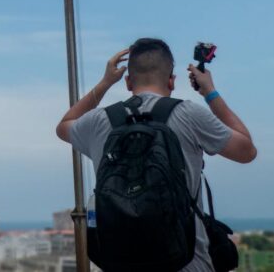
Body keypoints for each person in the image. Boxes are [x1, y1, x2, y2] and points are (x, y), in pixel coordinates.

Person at [56, 38, 257, 272]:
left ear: (128, 81)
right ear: (172, 80)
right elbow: (246, 151)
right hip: (188, 263)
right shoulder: (189, 114)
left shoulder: (98, 121)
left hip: (121, 263)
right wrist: (210, 92)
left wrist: (106, 82)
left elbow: (64, 125)